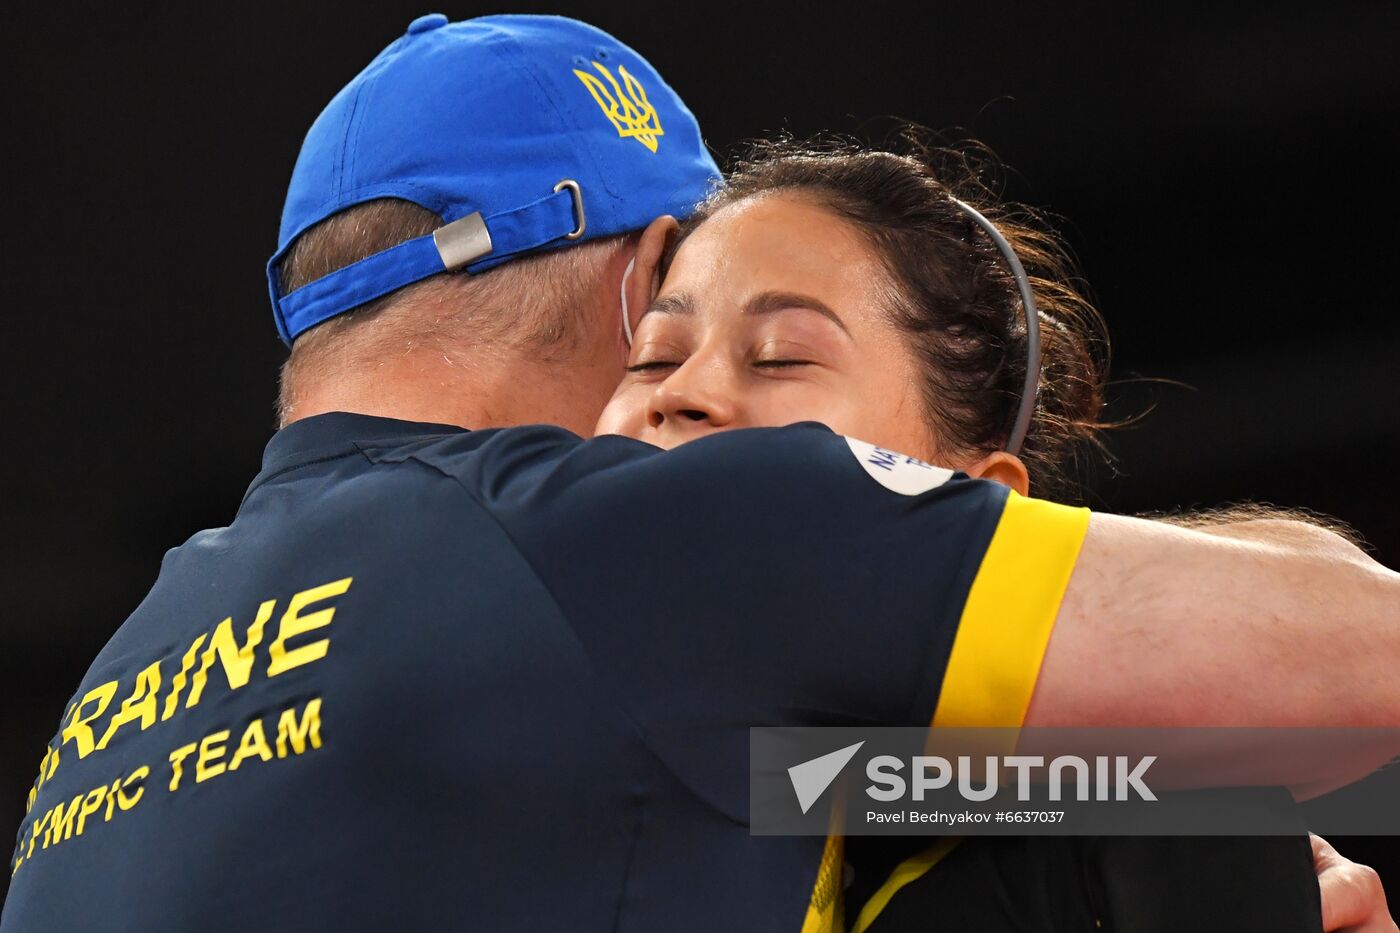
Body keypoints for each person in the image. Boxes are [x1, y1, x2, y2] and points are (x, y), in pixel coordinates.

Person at [4, 13, 1396, 933]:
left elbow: (825, 779)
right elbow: (1355, 674)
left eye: (780, 359)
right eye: (670, 328)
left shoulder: (109, 712)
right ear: (632, 284)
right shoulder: (637, 560)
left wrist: (1171, 799)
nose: (691, 398)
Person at [592, 138, 1398, 932]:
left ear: (975, 507)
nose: (683, 390)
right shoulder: (502, 657)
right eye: (654, 357)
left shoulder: (1085, 822)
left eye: (779, 357)